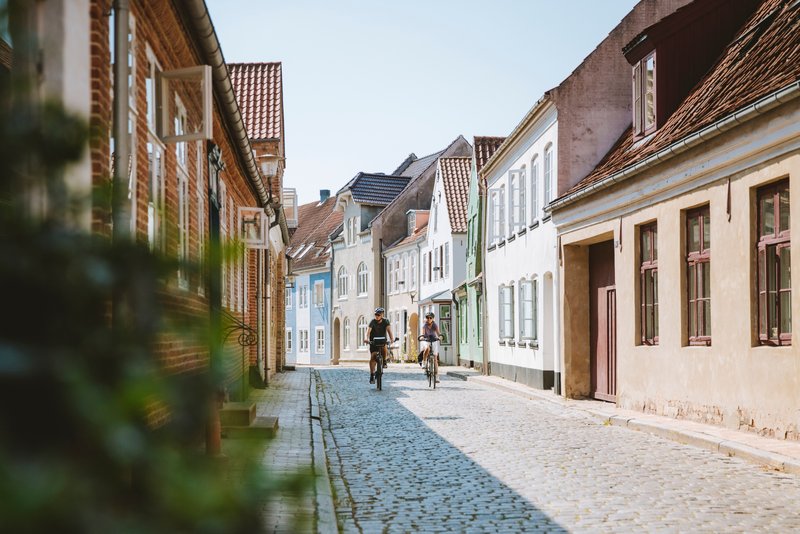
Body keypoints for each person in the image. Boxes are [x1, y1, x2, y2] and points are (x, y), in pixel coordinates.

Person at [364, 307, 394, 385]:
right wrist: (366, 338)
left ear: (382, 315)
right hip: (374, 342)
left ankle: (384, 361)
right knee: (373, 357)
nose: (376, 316)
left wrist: (392, 339)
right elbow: (368, 332)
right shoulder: (372, 322)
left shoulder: (386, 321)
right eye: (376, 314)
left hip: (382, 340)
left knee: (384, 347)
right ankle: (371, 375)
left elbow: (389, 331)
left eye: (378, 314)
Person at [420, 312, 441, 383]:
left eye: (430, 318)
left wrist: (440, 337)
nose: (428, 319)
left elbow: (438, 333)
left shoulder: (435, 325)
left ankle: (437, 376)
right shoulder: (424, 325)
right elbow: (423, 333)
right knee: (427, 348)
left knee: (435, 359)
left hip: (434, 340)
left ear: (432, 318)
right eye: (427, 318)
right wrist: (422, 337)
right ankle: (424, 362)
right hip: (426, 340)